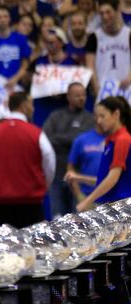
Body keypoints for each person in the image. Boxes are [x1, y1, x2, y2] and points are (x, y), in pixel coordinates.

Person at [0, 91, 56, 227]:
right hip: (31, 202)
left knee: (6, 246)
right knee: (33, 245)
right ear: (24, 106)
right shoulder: (36, 133)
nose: (33, 108)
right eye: (31, 104)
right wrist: (41, 185)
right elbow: (50, 165)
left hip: (2, 204)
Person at [42, 82, 94, 216]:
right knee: (58, 218)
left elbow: (79, 140)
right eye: (77, 95)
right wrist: (70, 139)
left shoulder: (90, 119)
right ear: (68, 97)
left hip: (79, 177)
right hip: (57, 175)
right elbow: (45, 138)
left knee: (79, 218)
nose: (82, 98)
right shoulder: (55, 116)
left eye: (83, 95)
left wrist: (59, 138)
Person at [75, 96, 131, 210]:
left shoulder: (123, 139)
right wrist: (79, 178)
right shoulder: (111, 139)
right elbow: (105, 178)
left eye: (102, 116)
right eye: (97, 117)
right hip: (112, 204)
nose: (98, 121)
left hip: (120, 206)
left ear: (116, 114)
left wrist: (87, 201)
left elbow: (113, 178)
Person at [86, 0, 131, 96]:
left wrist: (130, 77)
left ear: (117, 11)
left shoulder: (129, 34)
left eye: (108, 12)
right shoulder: (94, 37)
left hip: (127, 89)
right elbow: (90, 65)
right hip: (104, 90)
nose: (105, 17)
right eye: (101, 13)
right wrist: (96, 88)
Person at [65, 128, 106, 206]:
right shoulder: (81, 139)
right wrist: (79, 195)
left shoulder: (119, 140)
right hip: (85, 195)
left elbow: (112, 178)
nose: (100, 121)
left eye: (103, 116)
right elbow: (70, 169)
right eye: (99, 116)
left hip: (111, 198)